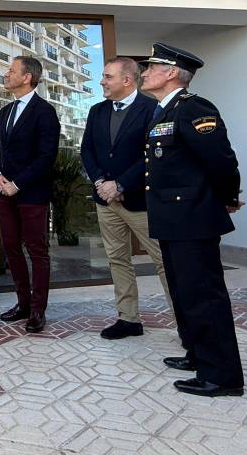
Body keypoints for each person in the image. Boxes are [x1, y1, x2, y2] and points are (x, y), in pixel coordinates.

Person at [139, 42, 244, 397]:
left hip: (193, 218)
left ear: (171, 72)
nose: (144, 73)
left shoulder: (193, 108)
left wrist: (226, 199)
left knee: (203, 297)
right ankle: (199, 355)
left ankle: (222, 377)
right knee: (185, 294)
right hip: (174, 219)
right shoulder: (163, 111)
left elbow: (221, 160)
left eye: (151, 67)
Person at [81, 58, 173, 340]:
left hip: (140, 202)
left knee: (164, 261)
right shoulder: (97, 111)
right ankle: (128, 319)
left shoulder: (152, 109)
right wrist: (101, 182)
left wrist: (121, 184)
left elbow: (153, 155)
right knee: (117, 260)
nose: (102, 81)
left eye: (107, 76)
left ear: (127, 80)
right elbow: (87, 151)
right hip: (106, 201)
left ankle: (187, 323)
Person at [0, 56, 60, 333]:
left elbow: (46, 157)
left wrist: (17, 184)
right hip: (4, 192)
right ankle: (22, 304)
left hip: (32, 193)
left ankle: (37, 310)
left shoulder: (45, 111)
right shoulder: (5, 111)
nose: (6, 74)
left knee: (36, 250)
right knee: (10, 247)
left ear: (27, 77)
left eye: (11, 70)